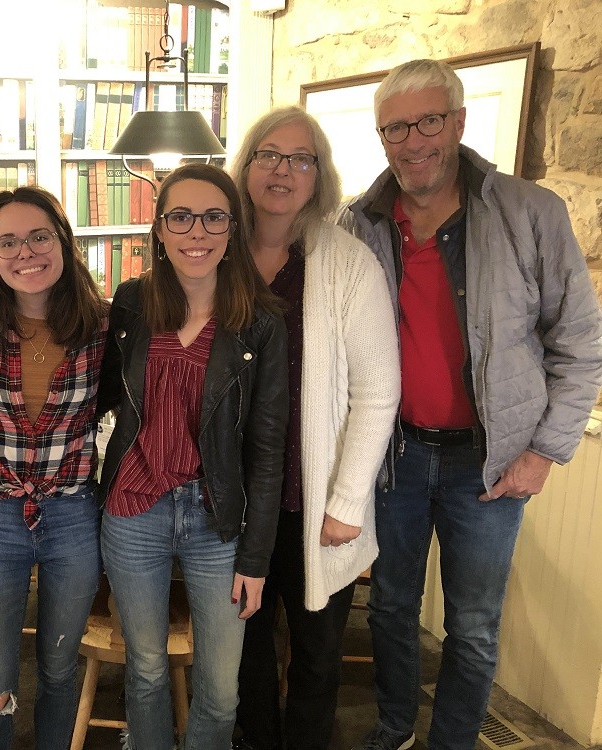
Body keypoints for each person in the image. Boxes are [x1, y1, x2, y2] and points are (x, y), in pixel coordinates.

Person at [341, 59, 602, 750]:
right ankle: (395, 727)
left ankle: (452, 742)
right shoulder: (358, 224)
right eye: (395, 127)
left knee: (474, 625)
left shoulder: (529, 213)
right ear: (382, 137)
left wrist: (546, 451)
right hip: (394, 454)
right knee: (391, 608)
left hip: (489, 462)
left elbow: (579, 343)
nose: (413, 140)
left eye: (428, 120)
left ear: (458, 123)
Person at [98, 162, 289, 750]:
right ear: (159, 229)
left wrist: (256, 558)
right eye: (180, 216)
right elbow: (96, 392)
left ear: (232, 230)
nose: (196, 231)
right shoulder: (130, 305)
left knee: (221, 686)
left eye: (213, 218)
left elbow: (267, 448)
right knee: (148, 669)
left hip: (216, 519)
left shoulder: (260, 323)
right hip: (134, 510)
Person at [229, 106, 400, 749]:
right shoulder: (214, 251)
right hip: (236, 501)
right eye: (270, 154)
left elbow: (378, 395)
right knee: (242, 654)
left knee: (317, 657)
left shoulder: (347, 262)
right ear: (246, 165)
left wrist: (348, 501)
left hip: (316, 504)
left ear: (319, 176)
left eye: (302, 159)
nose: (283, 170)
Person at [0, 186, 108, 749]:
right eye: (8, 242)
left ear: (64, 243)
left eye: (39, 236)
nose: (26, 252)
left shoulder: (102, 325)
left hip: (73, 513)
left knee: (59, 668)